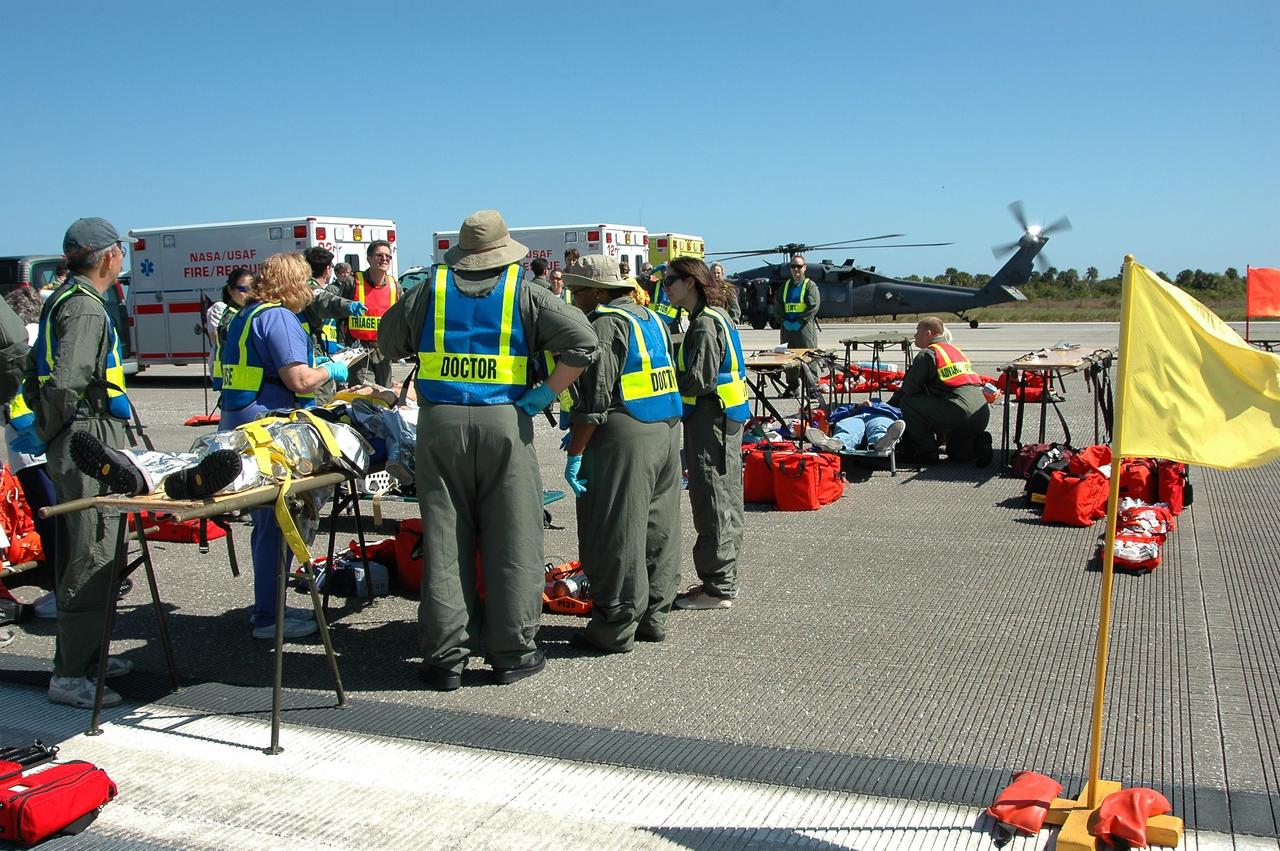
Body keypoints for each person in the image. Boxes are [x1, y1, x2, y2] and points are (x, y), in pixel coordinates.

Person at [378, 210, 597, 690]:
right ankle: (512, 653)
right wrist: (543, 394)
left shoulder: (428, 291)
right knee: (514, 539)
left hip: (440, 425)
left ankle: (444, 659)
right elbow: (583, 343)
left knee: (444, 540)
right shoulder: (525, 292)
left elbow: (386, 342)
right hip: (504, 423)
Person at [17, 218, 136, 708]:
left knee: (97, 549)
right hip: (87, 438)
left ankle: (88, 654)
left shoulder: (62, 299)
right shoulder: (86, 308)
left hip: (77, 435)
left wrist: (46, 428)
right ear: (108, 256)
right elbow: (66, 382)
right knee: (92, 554)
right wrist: (61, 427)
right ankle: (70, 675)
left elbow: (30, 372)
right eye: (121, 252)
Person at [219, 252, 350, 640]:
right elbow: (298, 379)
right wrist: (334, 368)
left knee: (266, 525)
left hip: (243, 426)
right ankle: (268, 618)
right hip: (270, 432)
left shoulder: (247, 314)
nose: (310, 290)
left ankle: (268, 607)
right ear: (292, 283)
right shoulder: (277, 316)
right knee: (280, 522)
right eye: (306, 282)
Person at [561, 254, 682, 650]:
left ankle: (614, 626)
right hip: (665, 433)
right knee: (657, 529)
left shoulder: (605, 323)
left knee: (614, 530)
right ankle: (653, 616)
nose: (573, 299)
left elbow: (595, 399)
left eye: (577, 291)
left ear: (597, 292)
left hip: (625, 436)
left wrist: (576, 452)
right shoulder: (652, 320)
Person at [663, 257, 748, 610]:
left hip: (710, 420)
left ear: (691, 283)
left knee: (711, 497)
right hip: (723, 418)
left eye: (671, 281)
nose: (665, 287)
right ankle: (723, 580)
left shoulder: (703, 326)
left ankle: (717, 588)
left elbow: (699, 380)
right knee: (725, 498)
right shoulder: (713, 316)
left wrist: (663, 382)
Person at [4, 286, 56, 618]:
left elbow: (15, 399)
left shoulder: (17, 343)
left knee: (50, 520)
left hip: (31, 446)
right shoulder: (46, 335)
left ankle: (60, 593)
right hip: (52, 441)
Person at [887, 316, 992, 466]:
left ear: (928, 333)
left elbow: (909, 390)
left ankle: (926, 452)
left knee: (909, 403)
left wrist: (888, 406)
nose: (915, 335)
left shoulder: (927, 354)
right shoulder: (955, 350)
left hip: (960, 412)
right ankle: (979, 443)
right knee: (957, 455)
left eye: (918, 331)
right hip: (981, 413)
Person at [301, 247, 364, 403]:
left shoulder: (304, 287)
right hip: (312, 349)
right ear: (328, 269)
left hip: (322, 348)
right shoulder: (311, 289)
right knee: (322, 400)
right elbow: (324, 301)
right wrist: (348, 306)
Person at [332, 241, 398, 387]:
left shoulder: (394, 286)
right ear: (369, 258)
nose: (384, 259)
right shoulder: (353, 282)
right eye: (379, 255)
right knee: (365, 393)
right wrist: (341, 344)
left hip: (383, 352)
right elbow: (338, 312)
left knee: (384, 394)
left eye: (388, 256)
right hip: (359, 350)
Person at [775, 254, 821, 397]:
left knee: (808, 356)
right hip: (787, 328)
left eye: (799, 266)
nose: (796, 270)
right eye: (793, 267)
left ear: (804, 268)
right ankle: (793, 386)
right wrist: (784, 321)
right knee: (788, 357)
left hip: (804, 328)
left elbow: (813, 306)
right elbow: (778, 306)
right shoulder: (785, 287)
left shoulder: (809, 286)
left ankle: (812, 387)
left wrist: (800, 321)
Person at [208, 268, 253, 393]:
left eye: (253, 288)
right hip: (236, 383)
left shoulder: (245, 312)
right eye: (244, 289)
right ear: (230, 290)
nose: (250, 293)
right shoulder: (231, 318)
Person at [805, 401, 906, 454]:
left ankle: (882, 441)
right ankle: (835, 442)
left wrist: (878, 407)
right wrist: (856, 407)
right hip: (855, 416)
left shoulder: (887, 407)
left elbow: (900, 414)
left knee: (880, 426)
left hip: (880, 415)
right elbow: (833, 417)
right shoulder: (850, 407)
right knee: (848, 429)